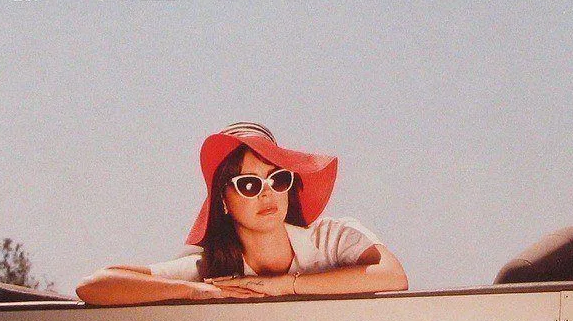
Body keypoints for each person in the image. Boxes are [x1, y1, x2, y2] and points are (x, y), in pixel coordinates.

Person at [76, 122, 408, 305]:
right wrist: (195, 291)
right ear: (223, 201)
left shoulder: (333, 237)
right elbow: (94, 286)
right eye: (249, 184)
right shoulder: (211, 269)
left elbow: (393, 276)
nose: (267, 192)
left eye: (278, 179)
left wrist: (286, 286)